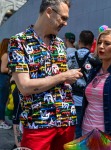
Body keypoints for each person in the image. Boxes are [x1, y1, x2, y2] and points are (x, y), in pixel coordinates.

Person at [8, 0, 83, 150]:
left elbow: (61, 81)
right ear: (49, 12)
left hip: (66, 121)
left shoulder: (60, 44)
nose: (65, 23)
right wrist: (63, 76)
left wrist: (72, 78)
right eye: (63, 18)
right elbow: (24, 87)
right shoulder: (19, 42)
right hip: (38, 123)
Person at [67, 30, 100, 138]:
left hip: (72, 98)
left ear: (79, 41)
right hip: (88, 100)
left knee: (73, 129)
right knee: (85, 129)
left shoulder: (70, 56)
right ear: (92, 44)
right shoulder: (94, 59)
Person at [0, 38, 12, 129]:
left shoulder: (2, 54)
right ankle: (1, 121)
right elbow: (3, 69)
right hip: (4, 79)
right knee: (2, 101)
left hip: (2, 78)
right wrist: (12, 70)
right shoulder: (5, 55)